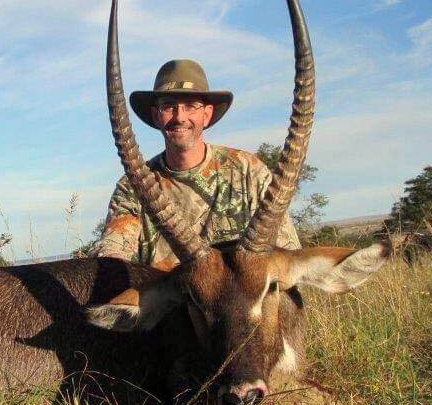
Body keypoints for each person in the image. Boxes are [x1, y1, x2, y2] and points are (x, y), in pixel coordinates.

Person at [94, 59, 300, 270]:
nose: (179, 117)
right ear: (156, 116)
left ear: (207, 114)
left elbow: (288, 258)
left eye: (190, 106)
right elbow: (112, 258)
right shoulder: (132, 187)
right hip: (168, 300)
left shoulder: (250, 171)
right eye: (169, 106)